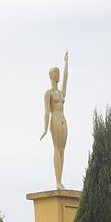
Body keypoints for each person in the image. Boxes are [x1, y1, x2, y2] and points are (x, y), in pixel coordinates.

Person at [40, 50, 69, 188]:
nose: (58, 76)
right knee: (57, 148)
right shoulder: (49, 93)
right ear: (51, 76)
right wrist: (45, 128)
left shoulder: (61, 93)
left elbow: (66, 78)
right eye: (55, 73)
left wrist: (66, 63)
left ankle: (60, 179)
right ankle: (58, 181)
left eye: (58, 73)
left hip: (63, 119)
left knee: (63, 149)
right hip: (55, 119)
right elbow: (46, 111)